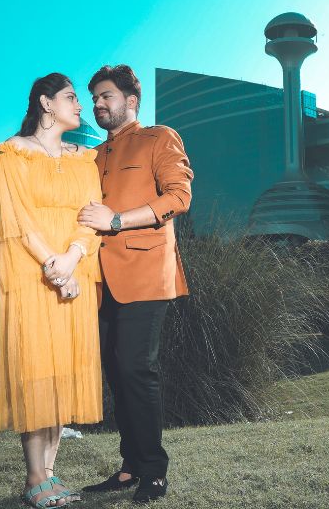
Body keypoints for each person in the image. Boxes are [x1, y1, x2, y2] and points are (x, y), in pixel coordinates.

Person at [76, 64, 193, 504]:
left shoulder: (159, 137)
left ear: (131, 101)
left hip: (147, 274)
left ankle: (154, 473)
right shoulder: (94, 156)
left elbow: (179, 197)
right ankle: (129, 469)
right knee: (117, 375)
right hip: (101, 281)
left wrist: (119, 220)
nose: (99, 104)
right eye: (94, 99)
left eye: (106, 96)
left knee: (136, 370)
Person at [0, 72, 103, 508]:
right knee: (36, 373)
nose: (81, 105)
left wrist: (72, 258)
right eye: (72, 97)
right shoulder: (12, 157)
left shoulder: (83, 160)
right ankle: (34, 478)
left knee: (61, 378)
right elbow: (15, 222)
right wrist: (55, 267)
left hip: (75, 275)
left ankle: (50, 474)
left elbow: (91, 216)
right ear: (45, 103)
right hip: (31, 278)